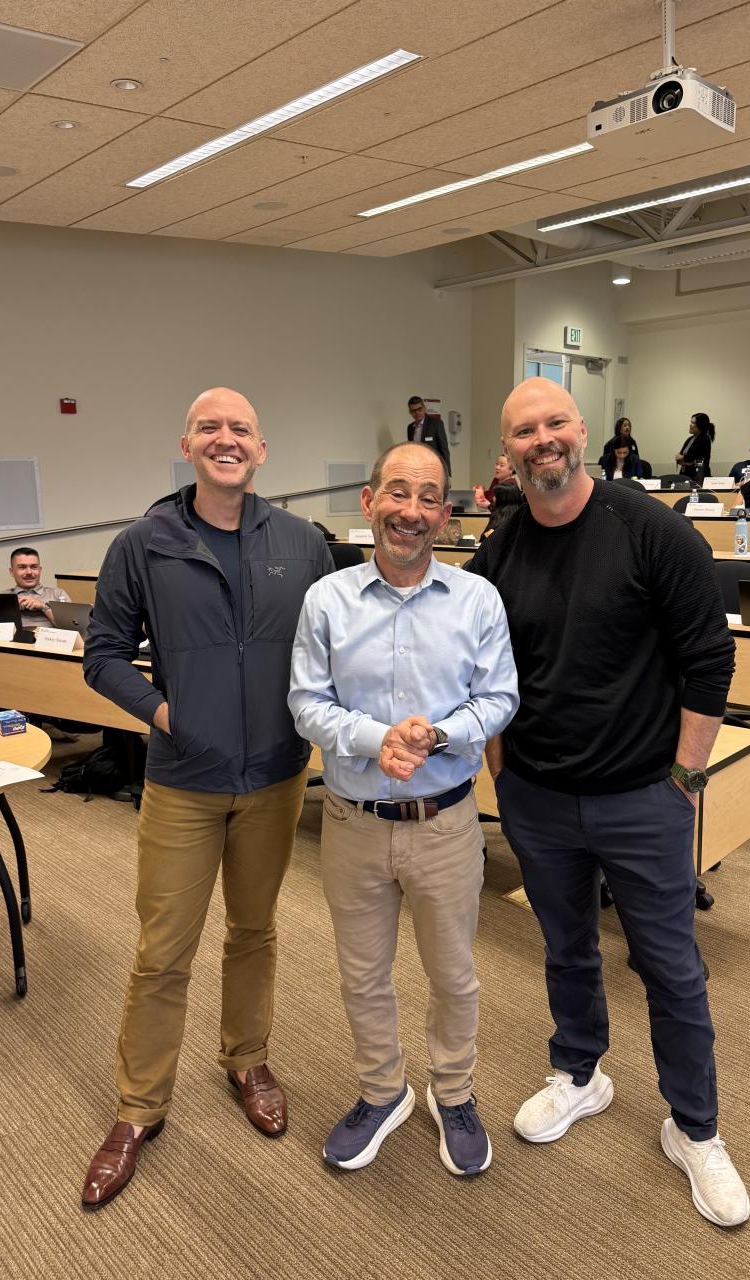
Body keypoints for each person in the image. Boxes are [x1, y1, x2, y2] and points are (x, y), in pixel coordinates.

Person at [468, 376, 750, 1228]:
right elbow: (476, 668)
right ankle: (580, 1073)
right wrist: (502, 771)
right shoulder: (501, 549)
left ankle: (695, 1129)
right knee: (564, 947)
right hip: (539, 798)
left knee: (670, 968)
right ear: (506, 452)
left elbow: (710, 663)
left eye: (555, 423)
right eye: (524, 430)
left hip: (643, 798)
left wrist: (686, 779)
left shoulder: (651, 531)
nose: (542, 440)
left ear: (582, 431)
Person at [80, 387, 333, 1210]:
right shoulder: (141, 544)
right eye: (211, 428)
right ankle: (137, 1109)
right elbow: (104, 653)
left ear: (262, 450)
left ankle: (246, 1059)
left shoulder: (301, 542)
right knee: (162, 952)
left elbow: (339, 643)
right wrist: (163, 714)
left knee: (254, 931)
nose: (226, 440)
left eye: (241, 430)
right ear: (187, 444)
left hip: (276, 777)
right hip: (183, 781)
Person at [288, 442, 517, 1176]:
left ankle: (453, 1093)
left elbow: (501, 697)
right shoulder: (327, 599)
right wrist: (371, 740)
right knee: (362, 976)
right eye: (397, 494)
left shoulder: (477, 598)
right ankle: (383, 1093)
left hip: (447, 825)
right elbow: (305, 703)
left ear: (445, 513)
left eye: (427, 499)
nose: (410, 513)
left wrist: (442, 733)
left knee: (454, 977)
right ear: (369, 501)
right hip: (353, 826)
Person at [7, 546, 71, 627]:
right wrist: (11, 608)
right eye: (22, 567)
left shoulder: (58, 594)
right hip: (13, 639)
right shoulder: (0, 598)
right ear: (12, 572)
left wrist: (43, 607)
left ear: (40, 570)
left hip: (49, 638)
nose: (29, 572)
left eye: (34, 567)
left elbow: (70, 628)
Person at [406, 395, 451, 476]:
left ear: (424, 408)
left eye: (419, 409)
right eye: (413, 411)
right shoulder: (410, 428)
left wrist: (447, 474)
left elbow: (444, 450)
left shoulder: (436, 423)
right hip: (417, 471)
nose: (417, 413)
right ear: (410, 412)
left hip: (434, 470)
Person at [675, 413, 714, 480]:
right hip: (685, 475)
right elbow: (680, 458)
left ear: (700, 425)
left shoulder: (704, 439)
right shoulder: (690, 439)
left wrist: (684, 459)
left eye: (693, 423)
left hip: (698, 477)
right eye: (691, 422)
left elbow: (697, 460)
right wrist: (684, 459)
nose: (690, 425)